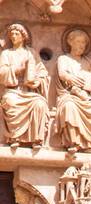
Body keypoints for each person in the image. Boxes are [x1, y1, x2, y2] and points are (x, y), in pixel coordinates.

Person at [0, 22, 49, 151]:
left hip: (28, 91)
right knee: (9, 101)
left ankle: (36, 139)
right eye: (11, 34)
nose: (13, 36)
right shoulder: (6, 54)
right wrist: (16, 69)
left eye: (17, 34)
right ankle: (14, 137)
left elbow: (42, 71)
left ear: (23, 36)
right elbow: (2, 72)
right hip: (13, 91)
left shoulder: (31, 53)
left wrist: (38, 81)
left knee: (40, 103)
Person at [55, 28, 91, 154]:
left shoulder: (88, 62)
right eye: (79, 42)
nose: (81, 45)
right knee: (69, 107)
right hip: (69, 96)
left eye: (84, 43)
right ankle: (73, 142)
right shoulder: (64, 59)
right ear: (70, 42)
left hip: (86, 97)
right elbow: (62, 74)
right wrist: (71, 78)